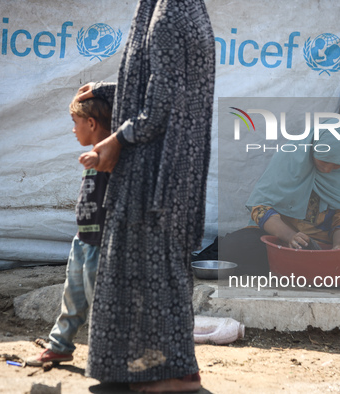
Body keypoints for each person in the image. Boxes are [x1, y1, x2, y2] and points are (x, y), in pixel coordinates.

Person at [75, 0, 215, 392]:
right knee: (143, 269)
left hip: (158, 172)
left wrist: (116, 140)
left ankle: (171, 377)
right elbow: (161, 83)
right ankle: (142, 371)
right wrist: (107, 90)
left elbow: (162, 104)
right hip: (163, 168)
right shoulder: (172, 9)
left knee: (155, 273)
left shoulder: (172, 13)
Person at [220, 120, 340, 276]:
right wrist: (290, 236)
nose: (328, 170)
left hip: (325, 243)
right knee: (232, 246)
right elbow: (260, 208)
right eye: (323, 160)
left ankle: (307, 266)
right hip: (281, 237)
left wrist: (338, 249)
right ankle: (333, 270)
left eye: (336, 165)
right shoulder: (289, 157)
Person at [27, 95, 112, 366]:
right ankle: (59, 345)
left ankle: (110, 358)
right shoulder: (95, 155)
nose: (73, 129)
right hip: (83, 239)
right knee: (72, 298)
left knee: (100, 303)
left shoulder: (110, 155)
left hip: (100, 242)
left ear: (91, 122)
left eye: (75, 122)